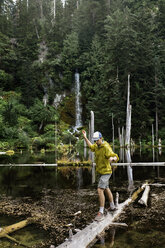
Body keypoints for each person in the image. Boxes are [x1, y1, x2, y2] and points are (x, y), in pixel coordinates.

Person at [82, 130, 119, 221]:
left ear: (101, 138)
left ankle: (101, 212)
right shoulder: (97, 146)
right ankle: (112, 207)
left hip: (106, 172)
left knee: (100, 189)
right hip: (101, 172)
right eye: (95, 140)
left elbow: (115, 156)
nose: (96, 142)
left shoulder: (106, 147)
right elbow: (91, 146)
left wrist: (113, 158)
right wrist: (85, 137)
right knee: (106, 188)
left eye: (97, 140)